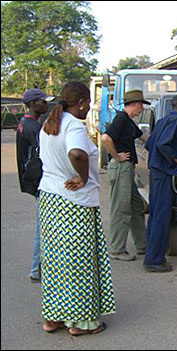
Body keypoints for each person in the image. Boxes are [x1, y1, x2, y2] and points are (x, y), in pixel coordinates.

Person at [38, 81, 116, 335]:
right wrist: (82, 177)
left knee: (56, 262)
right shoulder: (73, 124)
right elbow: (77, 154)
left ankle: (53, 319)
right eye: (88, 103)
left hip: (50, 201)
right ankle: (81, 323)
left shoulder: (50, 124)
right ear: (81, 101)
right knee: (79, 264)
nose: (89, 108)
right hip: (73, 204)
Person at [143, 95, 177, 273]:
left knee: (155, 213)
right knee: (162, 216)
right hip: (164, 173)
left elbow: (150, 144)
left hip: (156, 171)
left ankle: (151, 254)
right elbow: (163, 145)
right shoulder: (176, 121)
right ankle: (154, 261)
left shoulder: (162, 120)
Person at [101, 90, 149, 261]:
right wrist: (117, 156)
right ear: (135, 104)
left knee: (136, 207)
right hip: (121, 167)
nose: (142, 109)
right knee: (121, 209)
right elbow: (106, 138)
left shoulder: (128, 122)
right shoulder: (121, 118)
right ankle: (116, 249)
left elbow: (143, 137)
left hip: (128, 169)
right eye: (141, 105)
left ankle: (143, 245)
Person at [16, 88, 54, 282]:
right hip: (39, 182)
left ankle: (37, 268)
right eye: (43, 102)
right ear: (32, 104)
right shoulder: (33, 127)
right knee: (43, 229)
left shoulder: (25, 123)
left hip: (33, 181)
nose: (46, 105)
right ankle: (36, 269)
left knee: (43, 227)